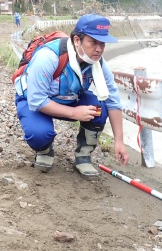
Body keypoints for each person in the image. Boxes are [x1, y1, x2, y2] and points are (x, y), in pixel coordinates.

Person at [14, 14, 129, 179]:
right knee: (39, 133)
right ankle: (44, 150)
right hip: (34, 101)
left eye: (102, 44)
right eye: (93, 42)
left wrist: (119, 141)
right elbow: (36, 100)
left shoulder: (98, 63)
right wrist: (74, 113)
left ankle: (83, 155)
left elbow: (113, 101)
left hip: (69, 97)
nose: (99, 49)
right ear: (77, 40)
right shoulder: (49, 57)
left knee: (99, 109)